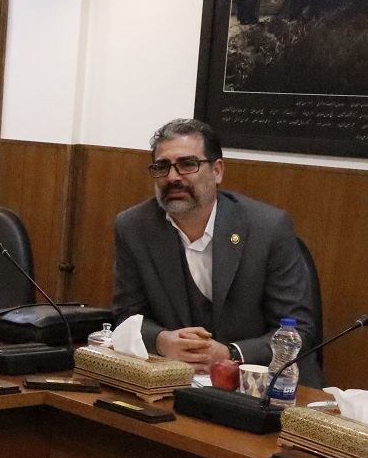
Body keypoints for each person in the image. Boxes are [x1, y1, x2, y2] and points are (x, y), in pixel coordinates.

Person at [112, 118, 321, 386]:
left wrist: (230, 354)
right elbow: (127, 315)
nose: (173, 177)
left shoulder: (268, 228)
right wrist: (162, 341)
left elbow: (298, 330)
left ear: (217, 171)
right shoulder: (134, 227)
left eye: (187, 164)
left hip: (264, 385)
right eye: (162, 167)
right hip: (177, 381)